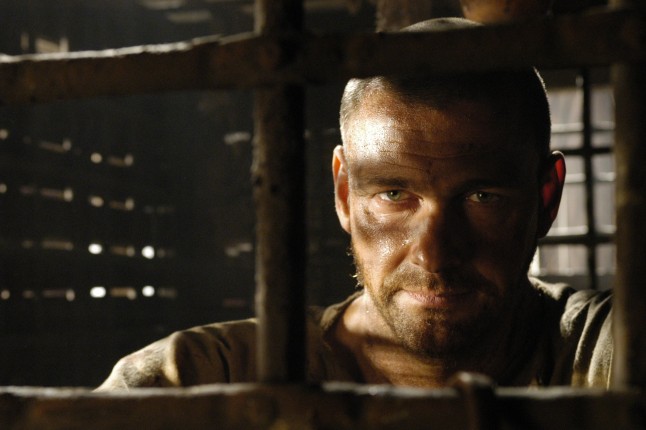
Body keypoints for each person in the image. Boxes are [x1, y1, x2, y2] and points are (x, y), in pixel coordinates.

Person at [96, 17, 612, 391]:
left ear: (546, 196)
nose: (434, 255)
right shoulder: (203, 379)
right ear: (344, 193)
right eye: (394, 194)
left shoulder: (608, 355)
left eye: (482, 197)